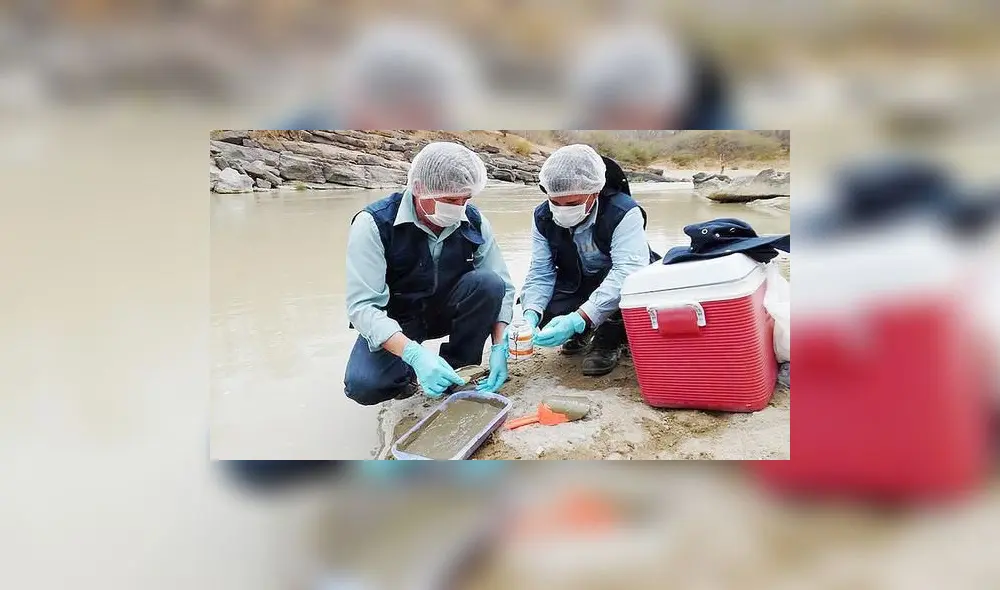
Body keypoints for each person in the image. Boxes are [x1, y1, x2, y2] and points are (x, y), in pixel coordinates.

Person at [344, 142, 515, 404]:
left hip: (449, 309)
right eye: (449, 200)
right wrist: (413, 354)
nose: (459, 208)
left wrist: (499, 345)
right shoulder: (373, 224)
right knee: (365, 385)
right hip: (400, 319)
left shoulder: (474, 221)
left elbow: (502, 284)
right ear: (419, 188)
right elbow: (363, 308)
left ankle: (459, 370)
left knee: (489, 283)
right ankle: (408, 375)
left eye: (465, 199)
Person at [518, 144, 659, 376]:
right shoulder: (542, 217)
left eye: (573, 204)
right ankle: (583, 331)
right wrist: (530, 315)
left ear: (595, 192)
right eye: (556, 202)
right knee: (546, 307)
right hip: (579, 280)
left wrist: (579, 317)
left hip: (618, 277)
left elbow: (628, 271)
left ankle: (609, 340)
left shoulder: (624, 212)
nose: (563, 210)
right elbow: (541, 272)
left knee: (632, 291)